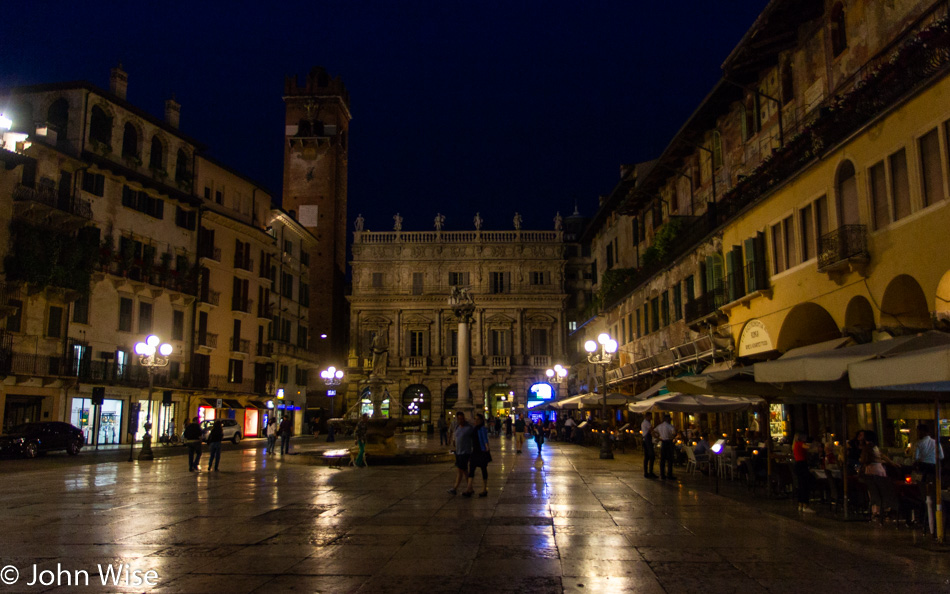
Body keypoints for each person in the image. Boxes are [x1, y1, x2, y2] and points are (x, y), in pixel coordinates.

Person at [860, 430, 897, 522]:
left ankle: (876, 510)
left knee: (874, 491)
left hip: (872, 470)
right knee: (881, 489)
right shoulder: (875, 447)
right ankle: (883, 509)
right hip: (878, 469)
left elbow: (865, 459)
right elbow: (882, 456)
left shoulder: (867, 448)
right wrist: (891, 463)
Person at [465, 413, 492, 497]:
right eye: (475, 419)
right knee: (471, 469)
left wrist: (487, 448)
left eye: (478, 419)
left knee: (483, 469)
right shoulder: (474, 428)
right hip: (475, 451)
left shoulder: (482, 429)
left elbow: (485, 439)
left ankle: (484, 489)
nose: (476, 421)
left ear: (481, 420)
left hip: (482, 451)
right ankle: (469, 488)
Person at [448, 412, 474, 495]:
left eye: (462, 418)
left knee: (461, 470)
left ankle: (455, 488)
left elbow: (474, 438)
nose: (461, 420)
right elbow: (455, 437)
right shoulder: (457, 427)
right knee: (463, 470)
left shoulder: (469, 428)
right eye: (459, 419)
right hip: (458, 452)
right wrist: (453, 442)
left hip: (465, 452)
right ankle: (470, 488)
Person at [792, 433, 814, 513]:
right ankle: (805, 504)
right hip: (802, 465)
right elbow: (808, 447)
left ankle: (800, 504)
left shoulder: (795, 445)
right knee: (805, 485)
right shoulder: (800, 444)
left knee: (801, 485)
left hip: (798, 464)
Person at [656, 414, 676, 480]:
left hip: (663, 442)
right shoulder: (670, 426)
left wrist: (658, 438)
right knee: (670, 459)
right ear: (668, 419)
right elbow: (674, 433)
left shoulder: (660, 426)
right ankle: (669, 474)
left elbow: (653, 431)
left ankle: (662, 474)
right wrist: (672, 437)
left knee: (663, 459)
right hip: (669, 442)